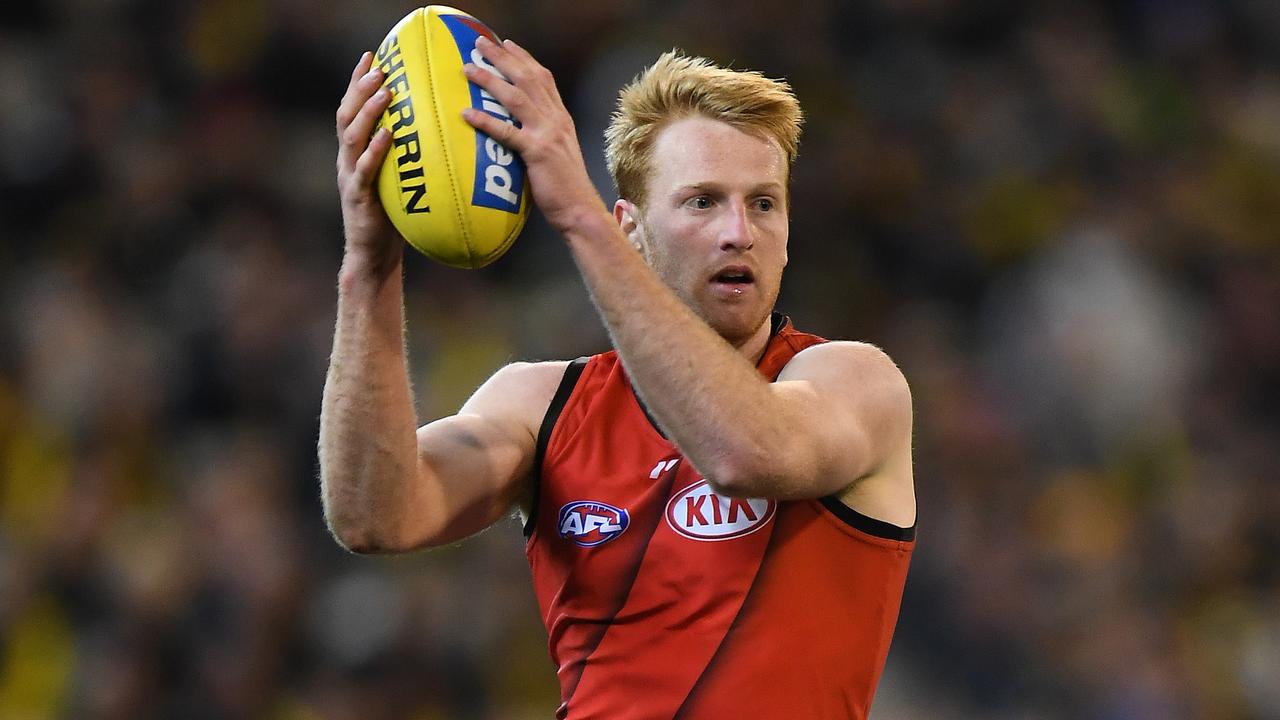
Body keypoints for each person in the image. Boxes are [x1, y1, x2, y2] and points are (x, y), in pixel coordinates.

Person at [323, 35, 916, 720]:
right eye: (701, 202)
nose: (739, 232)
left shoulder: (856, 382)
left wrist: (575, 215)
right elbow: (374, 515)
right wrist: (369, 266)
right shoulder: (543, 405)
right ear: (629, 229)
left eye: (763, 203)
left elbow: (745, 452)